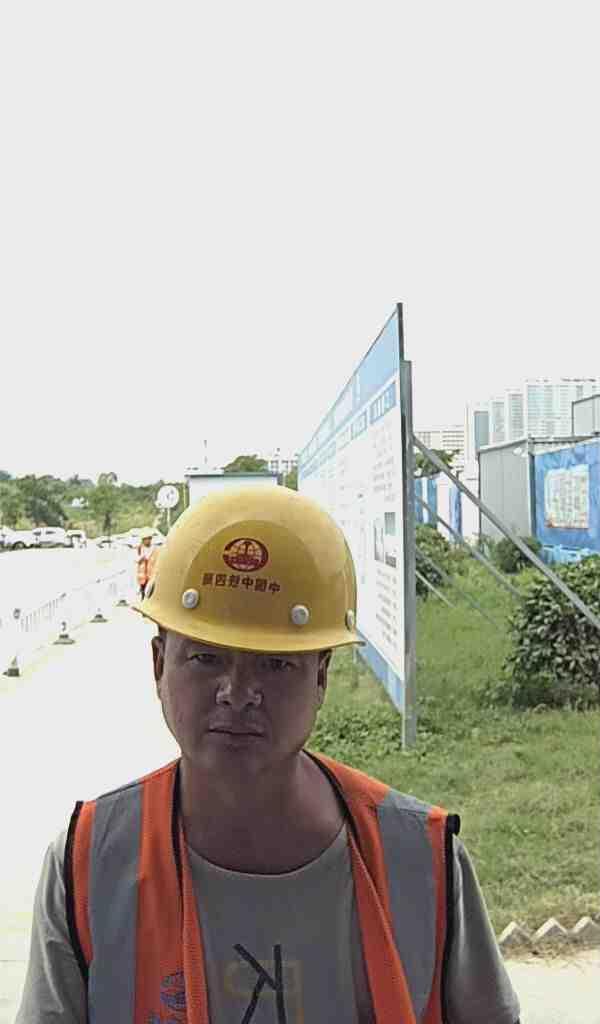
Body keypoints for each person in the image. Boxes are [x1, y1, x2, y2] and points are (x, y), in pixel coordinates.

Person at [16, 487, 520, 1024]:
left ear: (320, 677)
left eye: (275, 664)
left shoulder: (422, 859)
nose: (237, 692)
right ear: (159, 664)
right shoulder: (89, 862)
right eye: (206, 658)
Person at [136, 527, 159, 599]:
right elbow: (136, 560)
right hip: (142, 577)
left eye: (148, 539)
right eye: (145, 539)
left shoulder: (155, 549)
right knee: (143, 593)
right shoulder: (140, 549)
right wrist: (141, 558)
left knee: (151, 593)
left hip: (151, 575)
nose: (147, 541)